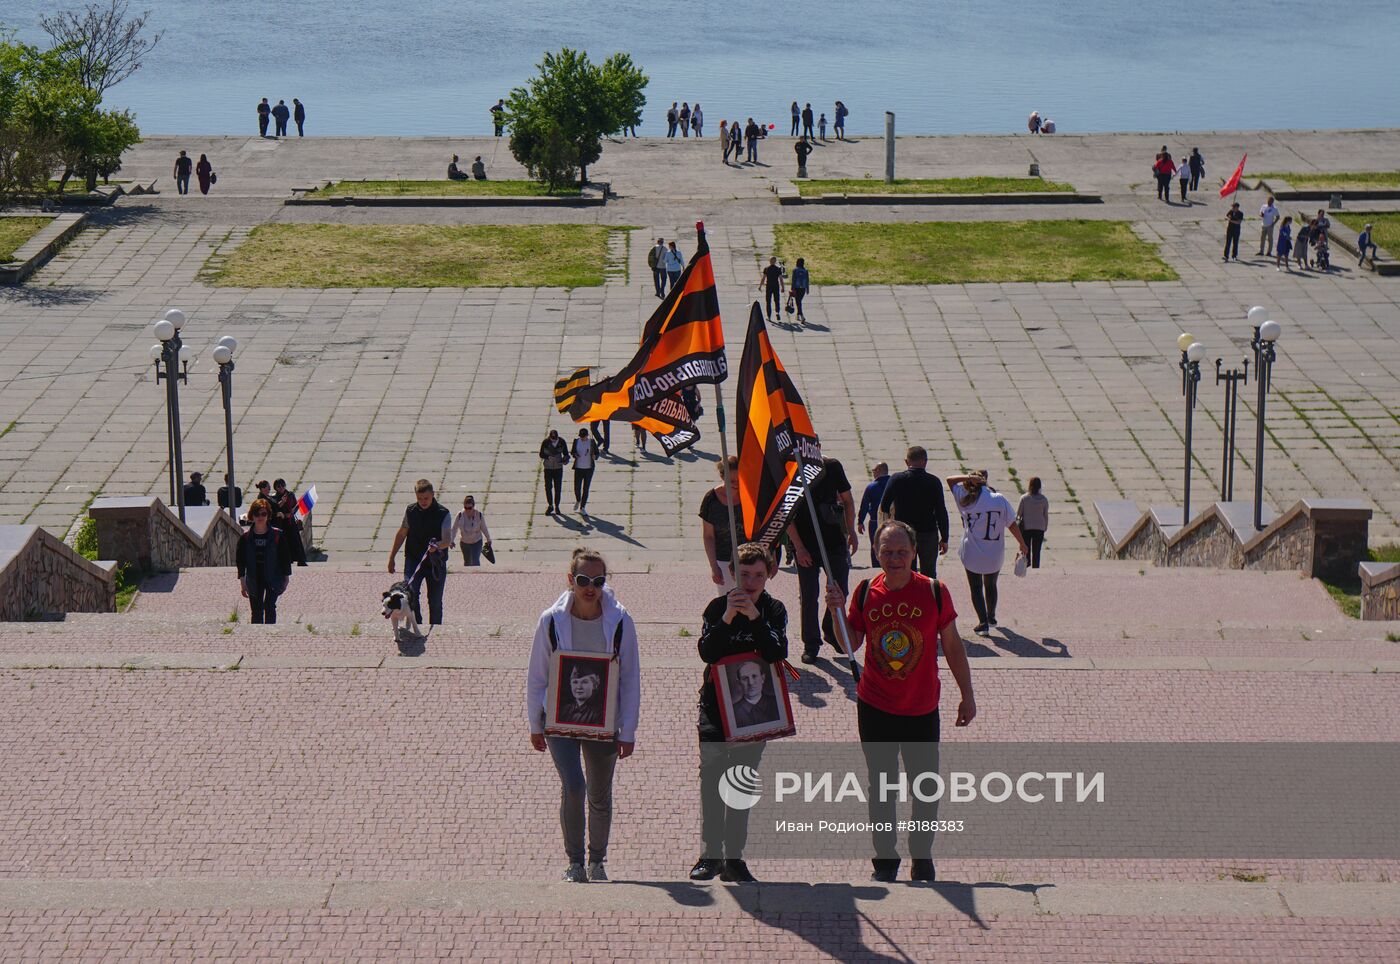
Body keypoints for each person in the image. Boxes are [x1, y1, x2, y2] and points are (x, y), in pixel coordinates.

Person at [824, 520, 975, 883]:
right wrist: (835, 610)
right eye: (887, 552)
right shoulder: (864, 593)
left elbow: (953, 646)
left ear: (914, 553)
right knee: (882, 786)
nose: (895, 559)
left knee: (925, 786)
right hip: (875, 706)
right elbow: (849, 646)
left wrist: (967, 695)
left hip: (921, 707)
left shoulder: (934, 592)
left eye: (901, 552)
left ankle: (921, 856)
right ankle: (885, 858)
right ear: (876, 553)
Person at [527, 547, 641, 883]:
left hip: (604, 721)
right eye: (583, 580)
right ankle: (575, 862)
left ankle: (597, 860)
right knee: (574, 786)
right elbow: (537, 676)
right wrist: (536, 723)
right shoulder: (551, 620)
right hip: (559, 720)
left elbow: (631, 679)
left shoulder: (621, 621)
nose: (590, 587)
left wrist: (628, 730)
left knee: (599, 793)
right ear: (570, 580)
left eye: (598, 580)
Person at [690, 542, 788, 884]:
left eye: (758, 575)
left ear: (769, 574)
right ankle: (710, 854)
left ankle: (735, 857)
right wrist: (730, 616)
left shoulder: (774, 609)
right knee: (713, 782)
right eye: (744, 574)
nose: (750, 582)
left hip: (755, 714)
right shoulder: (717, 607)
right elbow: (707, 651)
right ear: (733, 572)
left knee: (741, 783)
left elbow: (777, 651)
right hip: (716, 709)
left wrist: (756, 618)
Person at [787, 456, 856, 663]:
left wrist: (851, 530)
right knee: (809, 596)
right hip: (805, 544)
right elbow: (786, 511)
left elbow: (848, 499)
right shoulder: (791, 469)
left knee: (840, 590)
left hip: (834, 541)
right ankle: (811, 643)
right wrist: (798, 548)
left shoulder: (832, 466)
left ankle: (832, 630)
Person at [947, 471, 1028, 636]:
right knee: (991, 585)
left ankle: (983, 623)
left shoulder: (964, 499)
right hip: (994, 552)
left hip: (972, 552)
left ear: (970, 483)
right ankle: (991, 617)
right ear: (985, 483)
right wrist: (1022, 543)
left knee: (976, 588)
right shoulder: (998, 499)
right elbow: (1012, 523)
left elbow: (949, 480)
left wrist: (967, 477)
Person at [387, 479, 452, 627]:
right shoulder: (410, 511)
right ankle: (418, 626)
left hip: (436, 563)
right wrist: (392, 557)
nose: (423, 501)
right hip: (413, 560)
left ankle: (435, 629)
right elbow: (402, 533)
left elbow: (447, 540)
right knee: (411, 597)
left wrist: (437, 545)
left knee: (435, 600)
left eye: (426, 498)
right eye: (419, 498)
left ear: (433, 495)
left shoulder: (443, 513)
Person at [879, 446, 950, 577]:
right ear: (925, 461)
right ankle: (928, 597)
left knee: (905, 572)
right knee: (928, 575)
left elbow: (884, 506)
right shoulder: (933, 482)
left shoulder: (896, 479)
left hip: (904, 533)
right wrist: (944, 537)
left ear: (907, 462)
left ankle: (906, 597)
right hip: (928, 533)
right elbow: (941, 511)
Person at [236, 497, 293, 624]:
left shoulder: (278, 535)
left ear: (268, 515)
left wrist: (286, 578)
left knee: (270, 606)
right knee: (256, 610)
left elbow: (285, 558)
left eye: (263, 513)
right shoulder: (245, 538)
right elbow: (240, 561)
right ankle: (256, 638)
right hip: (254, 578)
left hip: (274, 576)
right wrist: (242, 581)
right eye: (257, 514)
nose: (260, 517)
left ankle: (271, 636)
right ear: (252, 516)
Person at [700, 456, 741, 588]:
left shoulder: (751, 495)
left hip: (750, 559)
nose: (736, 484)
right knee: (728, 602)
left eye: (740, 479)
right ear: (723, 477)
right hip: (724, 560)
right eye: (732, 480)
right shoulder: (711, 499)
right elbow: (708, 536)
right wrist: (714, 566)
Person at [857, 462, 890, 567]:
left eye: (874, 470)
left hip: (875, 522)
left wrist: (860, 521)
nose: (873, 473)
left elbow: (864, 506)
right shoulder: (893, 483)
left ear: (879, 470)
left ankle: (876, 567)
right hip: (892, 521)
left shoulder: (871, 487)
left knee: (876, 545)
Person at [271, 478, 308, 567]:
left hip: (290, 522)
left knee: (296, 541)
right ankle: (288, 560)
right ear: (275, 488)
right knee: (285, 543)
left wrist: (291, 513)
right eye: (279, 486)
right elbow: (275, 508)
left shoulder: (290, 494)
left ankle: (301, 560)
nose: (281, 488)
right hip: (281, 523)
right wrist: (283, 509)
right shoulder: (274, 497)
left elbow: (295, 506)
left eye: (283, 485)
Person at [730, 659, 779, 726]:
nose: (751, 683)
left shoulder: (777, 703)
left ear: (763, 678)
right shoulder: (732, 712)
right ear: (739, 683)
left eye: (754, 676)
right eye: (745, 678)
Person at [1015, 477, 1050, 568]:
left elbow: (1018, 514)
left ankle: (1026, 566)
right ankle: (1036, 567)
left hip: (1026, 528)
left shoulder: (1024, 498)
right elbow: (1045, 515)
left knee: (1026, 549)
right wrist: (1045, 526)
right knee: (1037, 550)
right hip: (1040, 528)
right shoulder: (1044, 499)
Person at [451, 494, 491, 566]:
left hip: (476, 542)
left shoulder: (479, 515)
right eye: (466, 508)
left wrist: (488, 539)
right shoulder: (460, 515)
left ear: (473, 506)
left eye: (470, 508)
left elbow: (484, 528)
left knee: (475, 561)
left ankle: (477, 576)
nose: (467, 510)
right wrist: (451, 540)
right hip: (464, 542)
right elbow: (454, 529)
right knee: (467, 562)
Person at [539, 429, 570, 515]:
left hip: (558, 468)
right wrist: (548, 457)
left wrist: (565, 460)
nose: (554, 440)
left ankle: (557, 506)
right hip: (548, 468)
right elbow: (541, 454)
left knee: (558, 488)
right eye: (552, 439)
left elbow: (566, 454)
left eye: (555, 439)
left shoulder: (562, 441)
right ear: (549, 437)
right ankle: (550, 505)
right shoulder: (545, 442)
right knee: (548, 487)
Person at [572, 428, 599, 514]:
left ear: (587, 435)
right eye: (581, 437)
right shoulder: (576, 441)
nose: (582, 438)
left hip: (588, 469)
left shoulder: (592, 442)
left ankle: (582, 506)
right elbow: (572, 452)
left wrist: (595, 456)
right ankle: (578, 500)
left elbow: (597, 453)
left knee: (586, 488)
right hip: (578, 468)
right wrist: (575, 455)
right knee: (577, 487)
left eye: (584, 437)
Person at [760, 256, 785, 322]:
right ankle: (777, 312)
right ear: (775, 261)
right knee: (777, 300)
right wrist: (782, 287)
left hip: (769, 286)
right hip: (776, 286)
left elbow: (763, 278)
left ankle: (769, 316)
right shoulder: (778, 269)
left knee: (768, 301)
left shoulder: (766, 269)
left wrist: (760, 286)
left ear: (770, 261)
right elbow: (781, 279)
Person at [790, 257, 810, 323]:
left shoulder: (795, 270)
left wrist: (792, 289)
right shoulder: (805, 271)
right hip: (803, 288)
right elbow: (807, 280)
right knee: (799, 302)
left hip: (796, 288)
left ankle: (802, 316)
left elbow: (793, 280)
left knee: (798, 302)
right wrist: (807, 289)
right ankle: (798, 315)